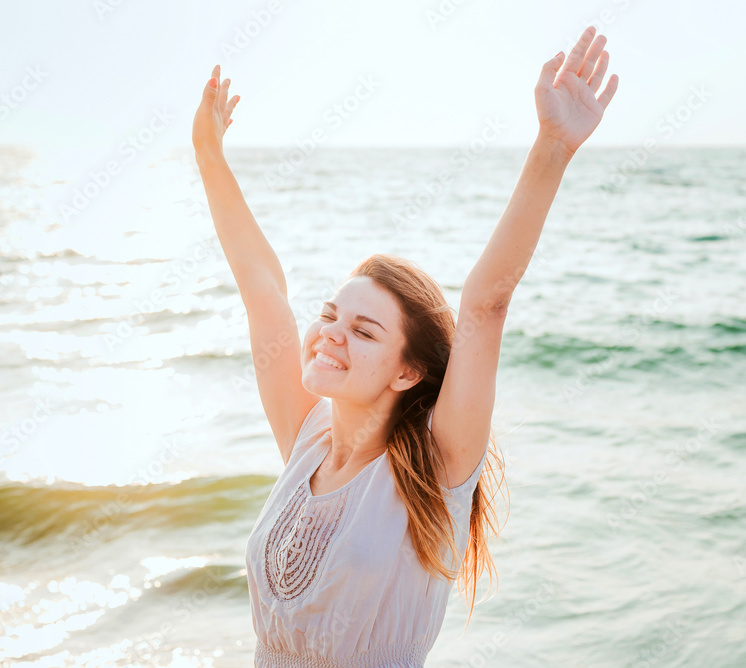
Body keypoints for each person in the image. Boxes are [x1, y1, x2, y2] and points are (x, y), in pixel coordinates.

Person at [191, 24, 618, 667]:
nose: (332, 332)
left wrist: (553, 145)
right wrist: (209, 156)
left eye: (364, 331)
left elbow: (485, 304)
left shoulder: (436, 472)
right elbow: (262, 288)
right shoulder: (306, 439)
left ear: (408, 372)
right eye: (332, 315)